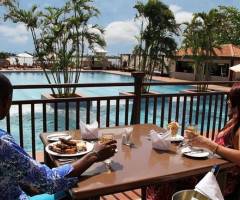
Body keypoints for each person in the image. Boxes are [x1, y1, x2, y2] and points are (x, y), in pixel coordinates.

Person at [0, 73, 117, 200]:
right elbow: (48, 181)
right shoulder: (3, 145)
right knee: (87, 189)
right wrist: (94, 154)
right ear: (5, 101)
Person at [147, 82, 240, 200]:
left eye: (230, 99)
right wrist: (202, 143)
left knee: (167, 181)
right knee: (163, 176)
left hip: (218, 179)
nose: (228, 102)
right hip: (210, 169)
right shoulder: (233, 121)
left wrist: (211, 145)